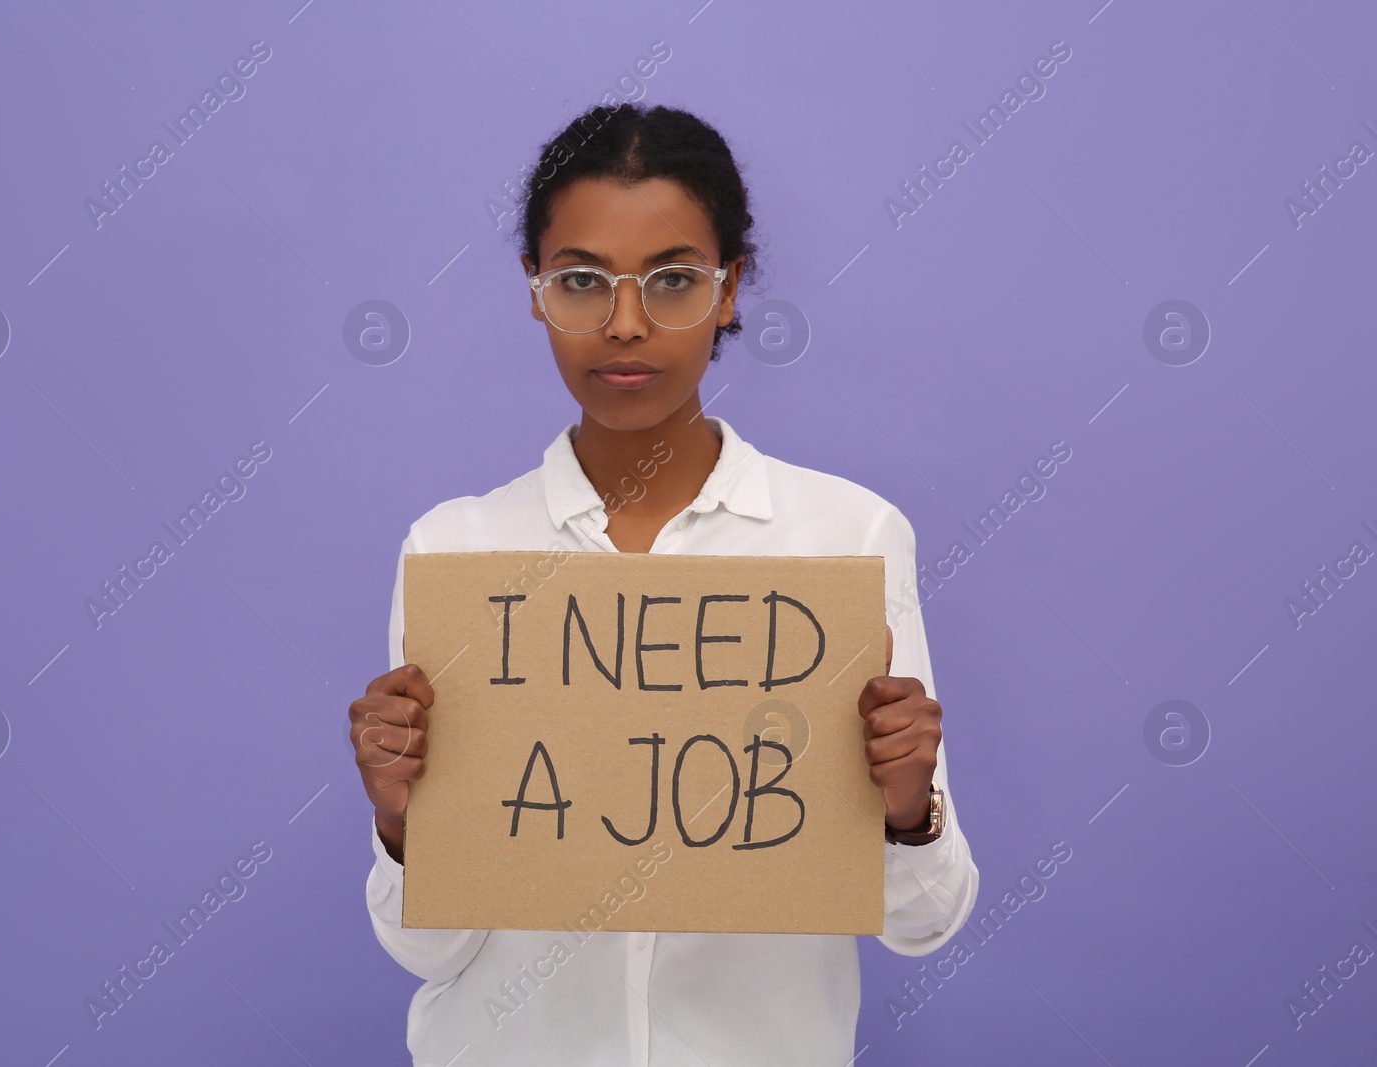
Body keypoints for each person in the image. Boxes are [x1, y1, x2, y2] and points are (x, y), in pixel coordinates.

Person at [349, 102, 979, 1066]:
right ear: (534, 289)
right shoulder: (455, 552)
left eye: (674, 279)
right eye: (583, 281)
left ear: (731, 288)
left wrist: (905, 809)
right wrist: (402, 824)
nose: (626, 323)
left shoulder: (847, 540)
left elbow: (922, 924)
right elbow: (425, 948)